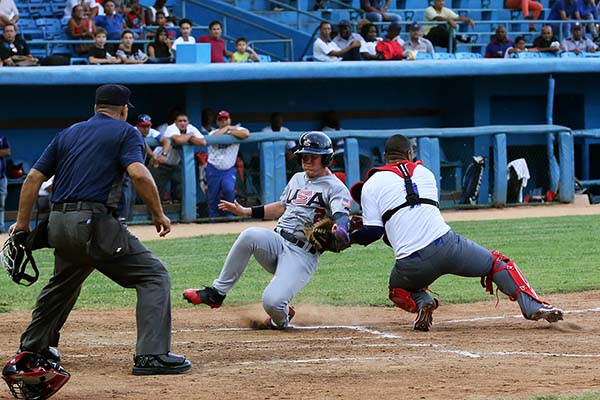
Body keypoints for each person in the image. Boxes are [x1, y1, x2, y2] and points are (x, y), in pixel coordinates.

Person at [1, 84, 192, 378]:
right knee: (153, 275)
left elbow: (33, 178)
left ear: (95, 107)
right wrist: (158, 213)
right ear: (124, 109)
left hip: (56, 224)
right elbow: (139, 173)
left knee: (62, 285)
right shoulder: (127, 132)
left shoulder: (68, 133)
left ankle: (33, 349)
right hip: (93, 222)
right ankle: (152, 355)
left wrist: (23, 224)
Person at [349, 134, 564, 332]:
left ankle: (423, 301)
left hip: (412, 265)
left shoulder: (371, 183)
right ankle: (533, 305)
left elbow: (374, 233)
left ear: (385, 157)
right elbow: (418, 214)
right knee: (497, 262)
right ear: (409, 154)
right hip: (448, 246)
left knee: (398, 289)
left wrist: (346, 239)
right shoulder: (426, 174)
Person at [183, 131, 352, 329]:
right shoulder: (298, 178)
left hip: (301, 254)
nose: (307, 160)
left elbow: (342, 213)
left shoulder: (335, 187)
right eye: (304, 156)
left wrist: (340, 228)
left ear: (326, 159)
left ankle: (279, 319)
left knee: (272, 302)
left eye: (313, 157)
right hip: (278, 241)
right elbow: (281, 207)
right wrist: (245, 211)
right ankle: (217, 293)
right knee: (250, 234)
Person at [151, 111, 206, 202]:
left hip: (174, 164)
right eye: (180, 121)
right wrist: (190, 135)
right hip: (159, 162)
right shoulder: (171, 128)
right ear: (175, 122)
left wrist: (189, 137)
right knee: (156, 191)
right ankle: (152, 215)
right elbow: (179, 140)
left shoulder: (191, 128)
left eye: (185, 121)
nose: (182, 123)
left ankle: (181, 215)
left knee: (179, 192)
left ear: (188, 122)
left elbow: (203, 142)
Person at [206, 110, 250, 219]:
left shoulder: (236, 130)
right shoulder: (213, 132)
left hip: (228, 169)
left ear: (230, 120)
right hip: (213, 168)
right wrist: (226, 129)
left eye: (226, 119)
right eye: (221, 120)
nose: (224, 121)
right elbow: (214, 137)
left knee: (229, 190)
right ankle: (214, 219)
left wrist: (230, 130)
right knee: (213, 196)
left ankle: (229, 216)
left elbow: (246, 134)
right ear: (217, 122)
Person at [0, 133, 10, 233]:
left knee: (1, 204)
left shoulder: (2, 138)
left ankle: (0, 228)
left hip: (1, 177)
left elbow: (7, 152)